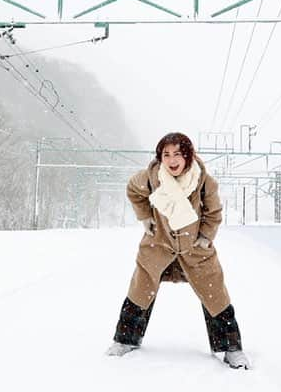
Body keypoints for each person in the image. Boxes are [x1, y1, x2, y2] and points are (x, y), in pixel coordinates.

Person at [105, 132, 250, 369]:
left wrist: (204, 237)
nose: (172, 160)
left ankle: (231, 348)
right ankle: (125, 340)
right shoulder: (151, 177)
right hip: (158, 247)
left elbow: (214, 213)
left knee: (215, 296)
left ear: (188, 156)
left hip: (195, 252)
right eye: (166, 154)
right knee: (140, 293)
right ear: (160, 157)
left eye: (178, 154)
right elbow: (133, 190)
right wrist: (145, 218)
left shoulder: (204, 181)